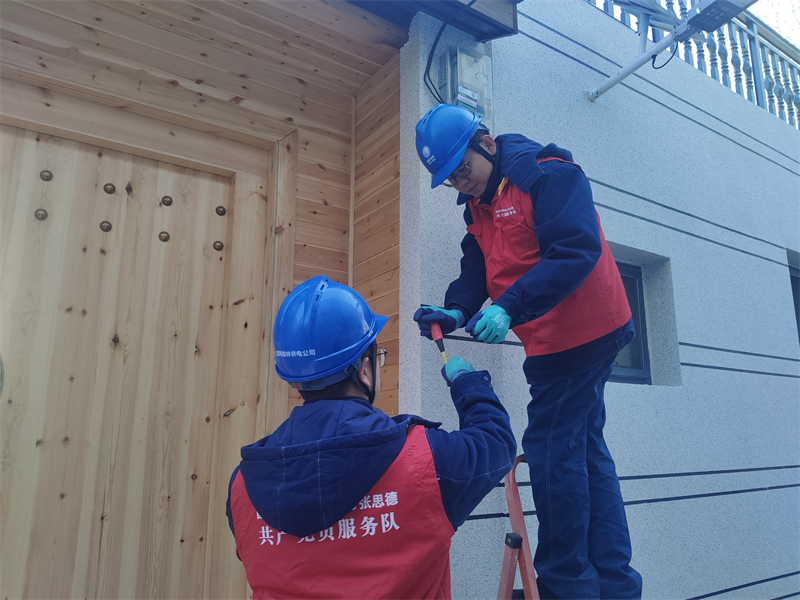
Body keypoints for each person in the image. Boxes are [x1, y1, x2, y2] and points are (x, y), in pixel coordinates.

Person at [413, 103, 643, 600]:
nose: (461, 183)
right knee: (584, 450)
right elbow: (477, 265)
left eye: (463, 170)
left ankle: (564, 585)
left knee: (550, 450)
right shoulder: (478, 204)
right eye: (450, 179)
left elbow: (576, 249)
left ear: (486, 144)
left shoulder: (548, 175)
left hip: (584, 332)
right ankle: (612, 583)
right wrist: (456, 309)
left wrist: (509, 308)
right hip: (552, 341)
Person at [226, 275, 516, 600]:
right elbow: (496, 442)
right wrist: (468, 382)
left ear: (295, 380)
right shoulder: (426, 461)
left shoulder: (243, 486)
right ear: (364, 371)